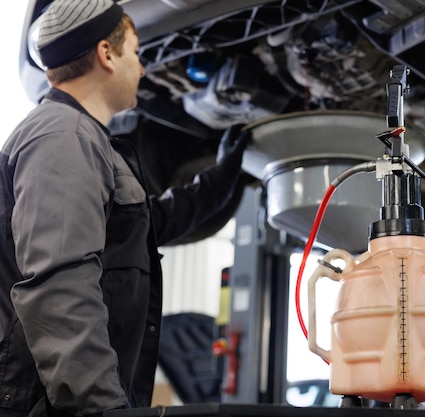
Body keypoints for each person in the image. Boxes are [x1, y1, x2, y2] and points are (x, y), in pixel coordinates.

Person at [0, 1, 250, 416]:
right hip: (49, 403)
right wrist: (101, 407)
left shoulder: (87, 140)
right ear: (107, 54)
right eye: (136, 52)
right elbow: (59, 287)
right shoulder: (63, 137)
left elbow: (147, 226)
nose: (144, 68)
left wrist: (220, 179)